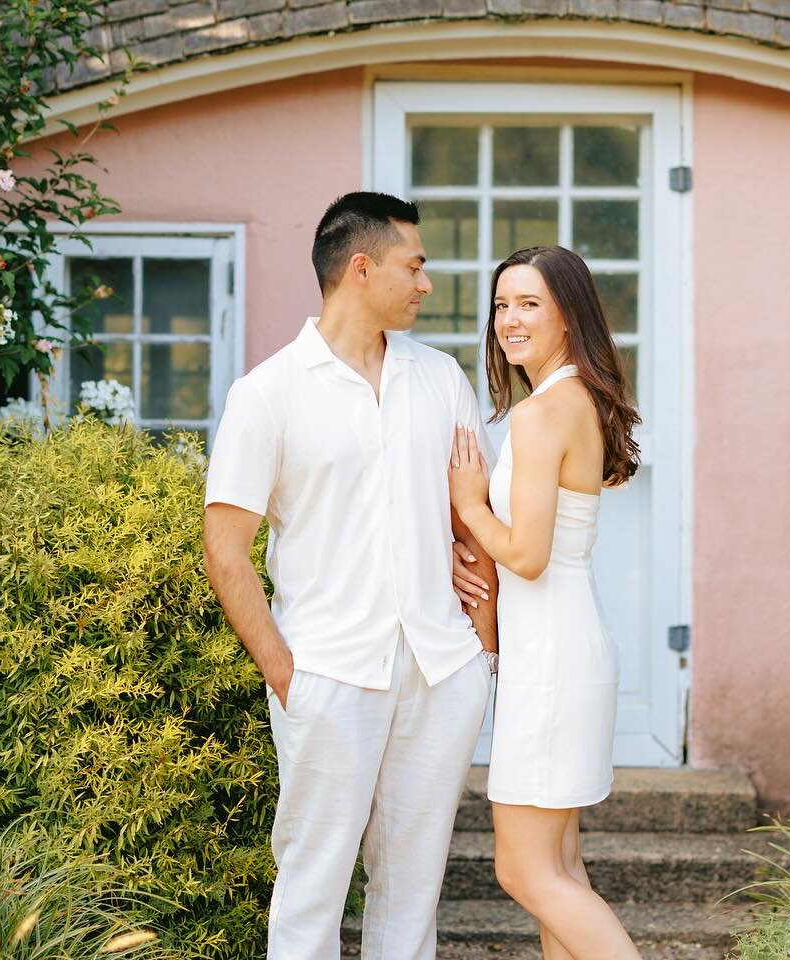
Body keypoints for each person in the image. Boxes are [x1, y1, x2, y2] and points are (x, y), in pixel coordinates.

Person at [202, 191, 498, 959]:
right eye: (415, 265)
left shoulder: (441, 380)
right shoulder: (267, 393)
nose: (426, 283)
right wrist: (286, 676)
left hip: (439, 670)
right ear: (361, 269)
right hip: (327, 673)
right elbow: (225, 548)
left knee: (413, 891)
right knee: (311, 890)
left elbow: (474, 526)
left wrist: (482, 657)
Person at [448, 244, 643, 960]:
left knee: (524, 869)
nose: (510, 319)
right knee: (559, 870)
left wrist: (469, 503)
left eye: (529, 303)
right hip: (566, 647)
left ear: (569, 315)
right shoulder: (573, 399)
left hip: (553, 661)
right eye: (502, 304)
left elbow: (525, 557)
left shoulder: (541, 414)